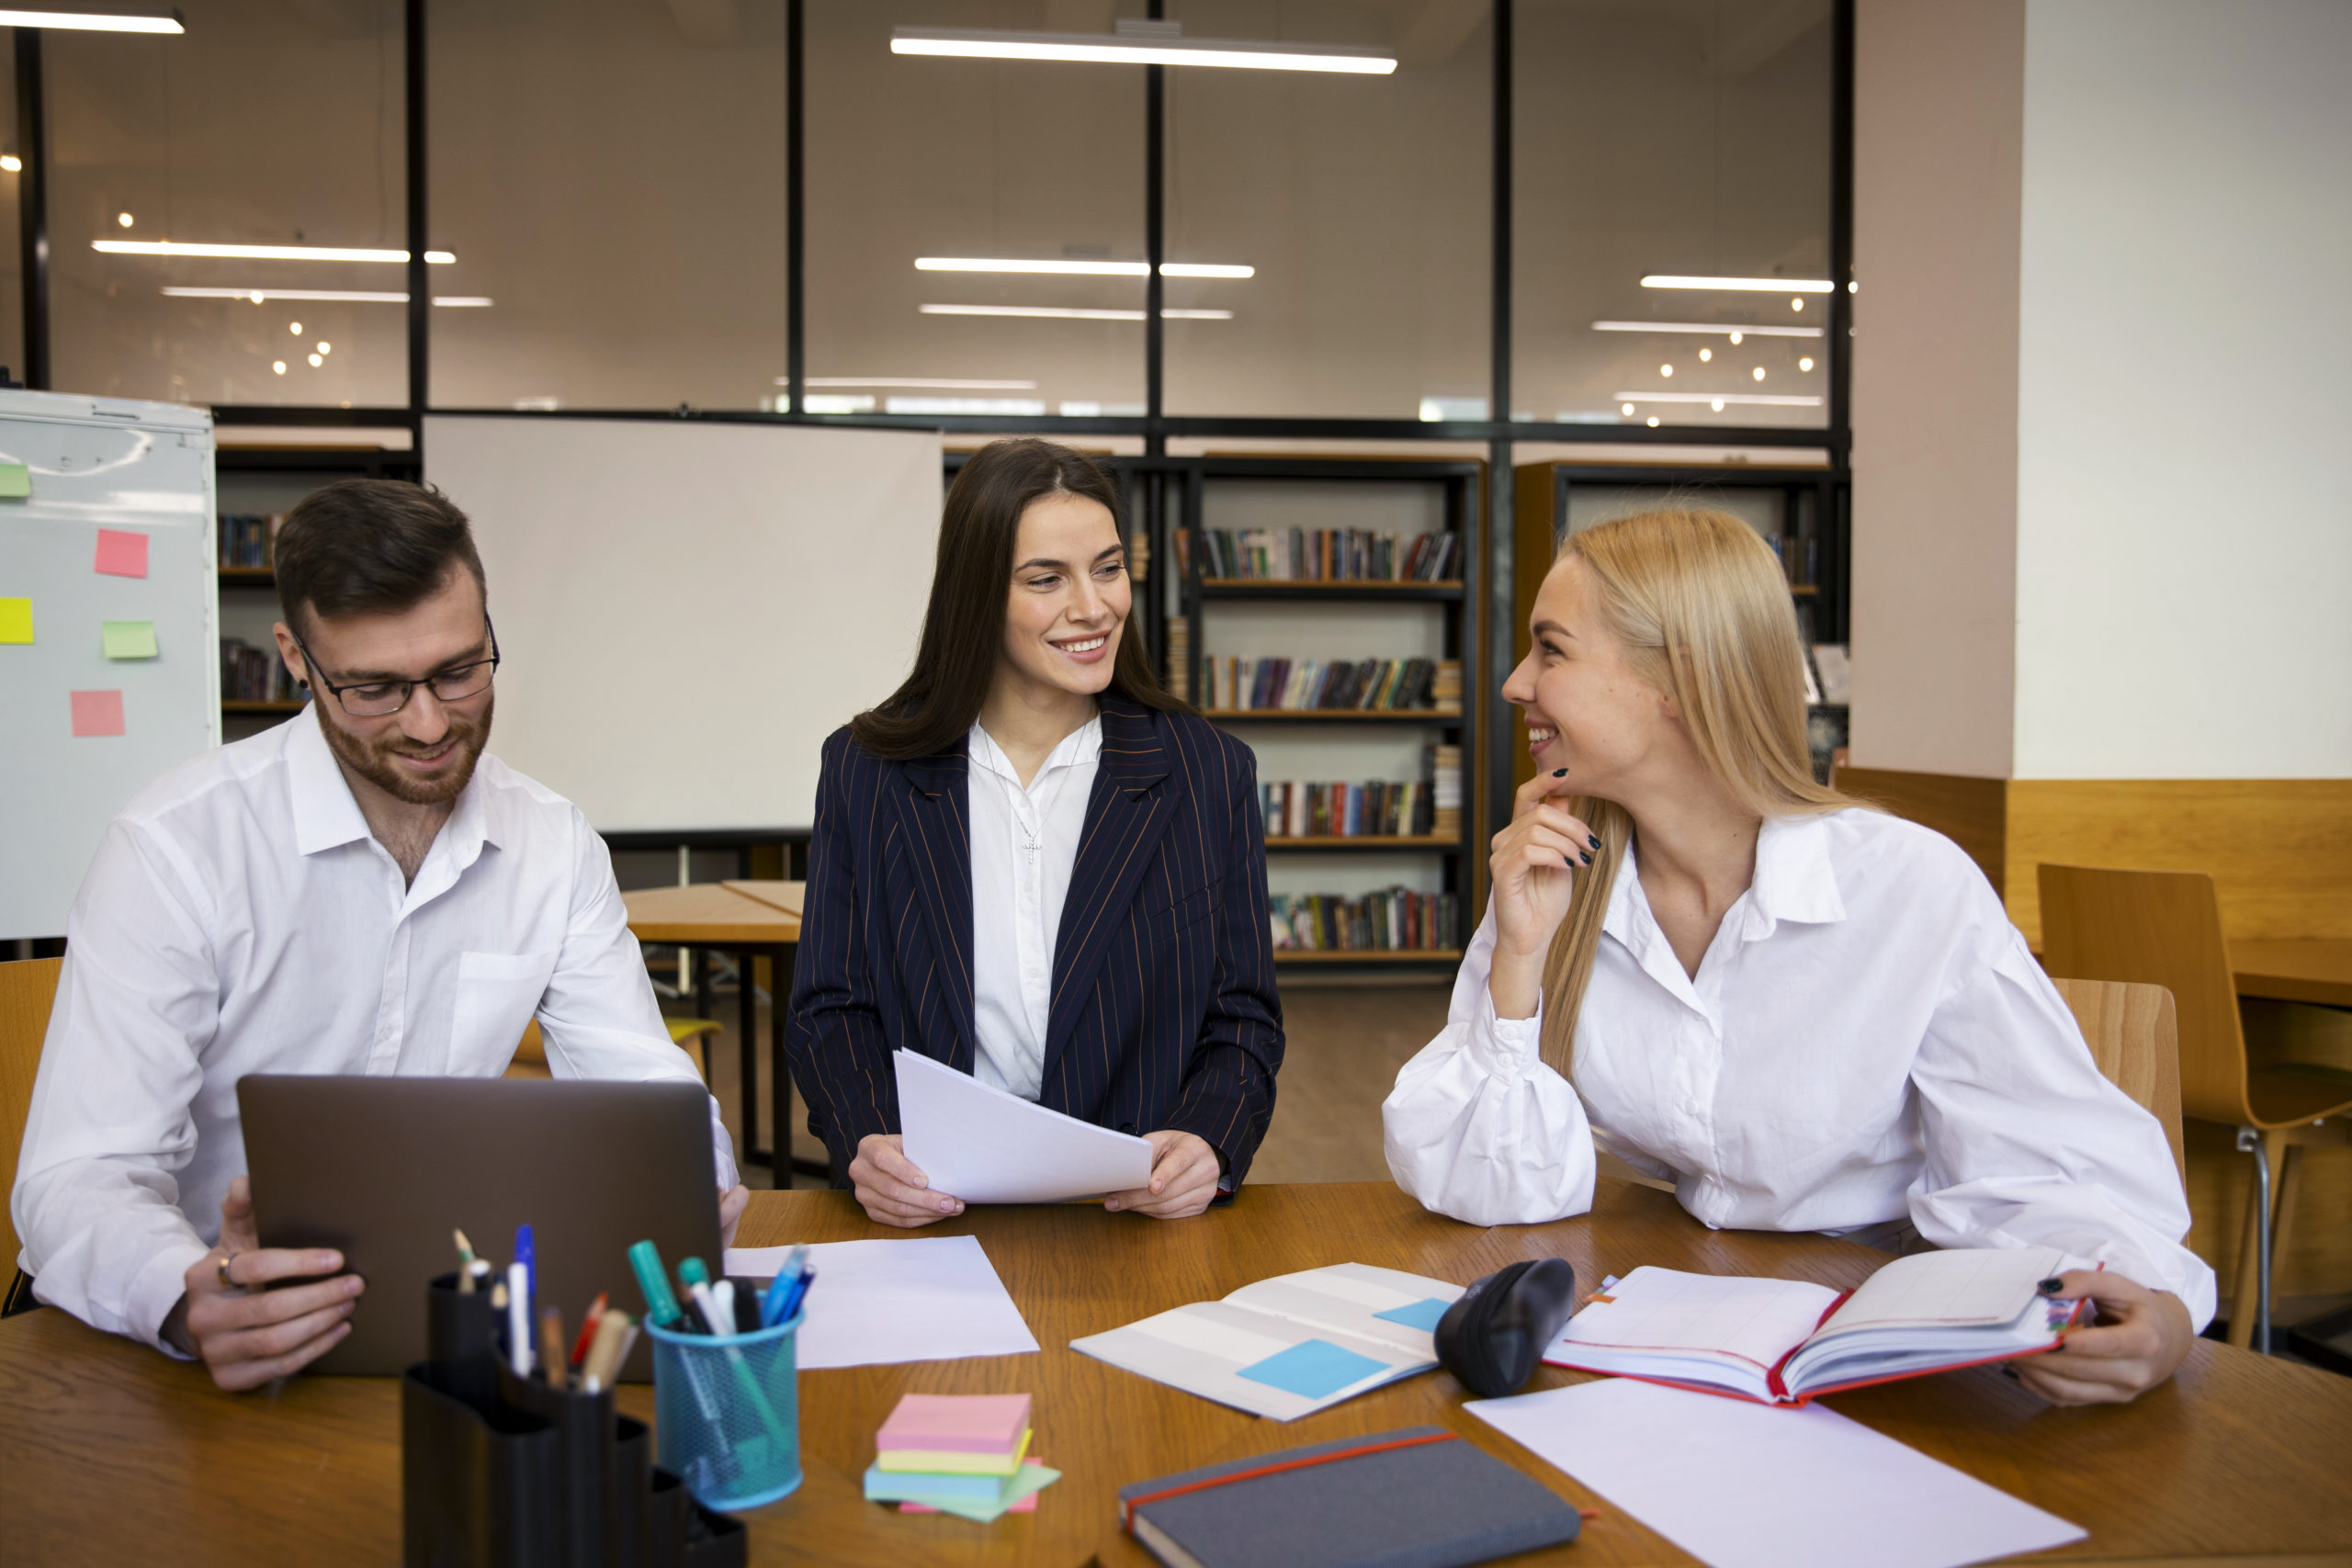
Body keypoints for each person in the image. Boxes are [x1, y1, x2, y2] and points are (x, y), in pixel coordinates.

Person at [1383, 508, 2211, 1405]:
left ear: (1679, 677)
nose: (1513, 684)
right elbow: (1484, 1190)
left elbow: (2043, 1168)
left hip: (1889, 1343)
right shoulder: (1558, 875)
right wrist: (1516, 957)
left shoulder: (1905, 888)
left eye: (1551, 650)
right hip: (1675, 1315)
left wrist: (2154, 1310)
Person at [11, 479, 747, 1390]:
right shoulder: (178, 848)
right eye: (374, 688)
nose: (431, 723)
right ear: (295, 657)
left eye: (460, 670)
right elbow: (79, 1175)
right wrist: (183, 1290)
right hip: (201, 1346)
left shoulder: (550, 843)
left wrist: (687, 1189)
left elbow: (648, 1097)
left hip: (445, 1326)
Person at [787, 438, 1283, 1225]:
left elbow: (1242, 1018)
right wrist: (869, 1140)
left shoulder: (1209, 772)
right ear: (977, 594)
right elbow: (830, 1008)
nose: (1094, 607)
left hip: (1132, 1213)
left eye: (1109, 568)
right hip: (935, 1211)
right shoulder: (866, 770)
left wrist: (1210, 1140)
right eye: (1046, 579)